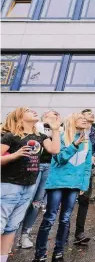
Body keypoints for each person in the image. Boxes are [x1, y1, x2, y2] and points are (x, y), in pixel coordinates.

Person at [1, 107, 60, 262]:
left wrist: (55, 130)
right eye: (28, 110)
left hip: (29, 186)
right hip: (9, 185)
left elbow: (55, 149)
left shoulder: (40, 136)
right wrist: (15, 155)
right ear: (20, 117)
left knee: (12, 227)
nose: (34, 111)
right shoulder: (11, 136)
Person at [33, 113, 91, 262]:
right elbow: (59, 158)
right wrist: (74, 145)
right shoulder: (62, 136)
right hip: (57, 183)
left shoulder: (87, 141)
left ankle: (58, 253)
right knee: (50, 218)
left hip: (74, 185)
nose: (85, 120)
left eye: (86, 119)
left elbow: (87, 166)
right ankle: (40, 254)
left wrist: (83, 184)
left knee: (65, 219)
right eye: (81, 118)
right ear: (72, 121)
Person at [19, 110, 61, 249]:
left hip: (49, 167)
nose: (55, 116)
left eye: (56, 114)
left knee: (37, 201)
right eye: (51, 114)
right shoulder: (36, 127)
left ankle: (25, 233)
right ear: (44, 117)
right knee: (25, 198)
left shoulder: (59, 130)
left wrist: (57, 131)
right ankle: (12, 230)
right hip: (33, 165)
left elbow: (56, 150)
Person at [74, 109, 95, 245]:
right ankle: (64, 230)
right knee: (67, 200)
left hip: (87, 168)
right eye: (88, 113)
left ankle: (80, 232)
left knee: (84, 199)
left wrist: (93, 156)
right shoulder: (74, 130)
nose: (91, 115)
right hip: (72, 168)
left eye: (92, 114)